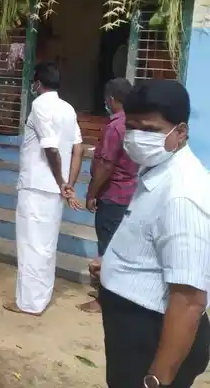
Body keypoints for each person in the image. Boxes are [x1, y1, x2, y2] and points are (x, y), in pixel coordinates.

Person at [98, 79, 210, 388]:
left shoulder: (182, 195)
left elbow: (188, 301)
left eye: (149, 130)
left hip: (153, 337)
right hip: (133, 331)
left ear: (181, 132)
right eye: (131, 128)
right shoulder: (157, 168)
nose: (136, 138)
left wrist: (157, 380)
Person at [4, 62, 85, 316]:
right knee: (46, 245)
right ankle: (40, 298)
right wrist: (68, 184)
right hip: (53, 191)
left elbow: (50, 148)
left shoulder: (40, 105)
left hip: (38, 186)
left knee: (31, 246)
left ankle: (29, 303)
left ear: (38, 83)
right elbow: (78, 148)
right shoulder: (68, 108)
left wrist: (62, 181)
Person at [78, 77, 138, 313]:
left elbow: (106, 165)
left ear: (111, 100)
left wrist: (92, 193)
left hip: (112, 195)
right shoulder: (134, 123)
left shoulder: (115, 126)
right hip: (128, 193)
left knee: (108, 248)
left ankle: (105, 299)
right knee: (118, 246)